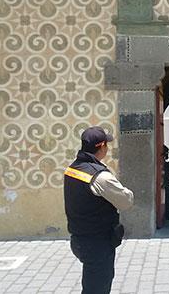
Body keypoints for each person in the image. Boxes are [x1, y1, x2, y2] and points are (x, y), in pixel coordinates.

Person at [64, 126, 134, 294]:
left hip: (79, 239)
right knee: (97, 289)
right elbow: (126, 201)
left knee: (92, 285)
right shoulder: (100, 176)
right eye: (106, 145)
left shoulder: (72, 169)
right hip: (98, 243)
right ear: (102, 147)